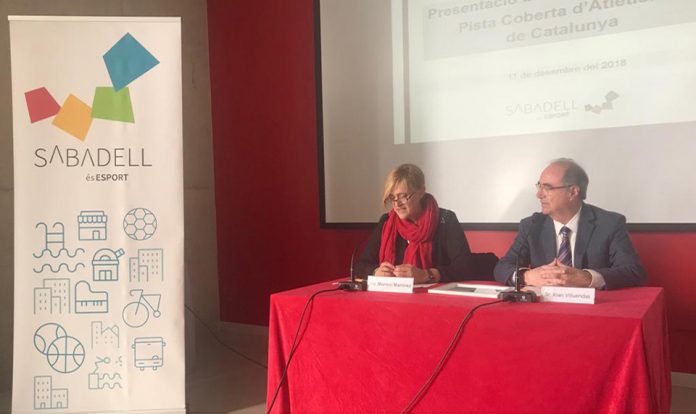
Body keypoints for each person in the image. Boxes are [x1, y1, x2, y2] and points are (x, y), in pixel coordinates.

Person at [494, 158, 647, 290]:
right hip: (545, 308)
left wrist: (587, 278)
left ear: (573, 192)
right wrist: (526, 276)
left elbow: (633, 271)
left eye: (547, 188)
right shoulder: (532, 225)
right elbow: (502, 267)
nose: (539, 194)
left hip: (593, 309)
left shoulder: (609, 223)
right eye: (539, 186)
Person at [353, 163, 475, 283]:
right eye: (392, 197)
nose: (397, 204)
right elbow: (360, 265)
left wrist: (426, 275)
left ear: (421, 192)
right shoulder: (387, 222)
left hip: (434, 294)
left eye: (403, 196)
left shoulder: (446, 220)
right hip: (392, 293)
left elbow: (465, 268)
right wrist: (376, 272)